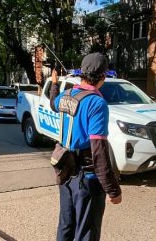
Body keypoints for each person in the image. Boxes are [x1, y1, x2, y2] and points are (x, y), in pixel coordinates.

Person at [50, 52, 122, 241]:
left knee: (66, 225)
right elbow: (98, 151)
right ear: (104, 76)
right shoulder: (96, 103)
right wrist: (112, 189)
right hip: (87, 179)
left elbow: (52, 103)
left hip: (65, 173)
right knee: (86, 232)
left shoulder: (66, 95)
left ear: (81, 73)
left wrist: (55, 83)